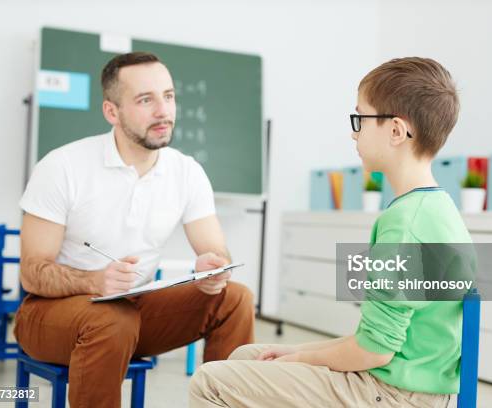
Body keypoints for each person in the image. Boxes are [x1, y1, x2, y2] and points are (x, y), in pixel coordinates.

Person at [189, 57, 470, 408]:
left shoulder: (404, 225)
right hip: (412, 387)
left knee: (210, 381)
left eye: (361, 119)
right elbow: (377, 340)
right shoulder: (436, 210)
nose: (354, 132)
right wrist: (295, 350)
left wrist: (298, 360)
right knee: (248, 354)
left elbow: (374, 351)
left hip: (394, 395)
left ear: (396, 131)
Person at [14, 52, 254, 408]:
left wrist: (213, 268)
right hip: (49, 314)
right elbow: (32, 273)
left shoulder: (186, 172)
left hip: (131, 313)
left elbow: (217, 252)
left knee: (235, 298)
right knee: (113, 319)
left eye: (168, 96)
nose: (163, 111)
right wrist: (93, 281)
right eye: (146, 100)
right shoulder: (63, 166)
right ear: (112, 112)